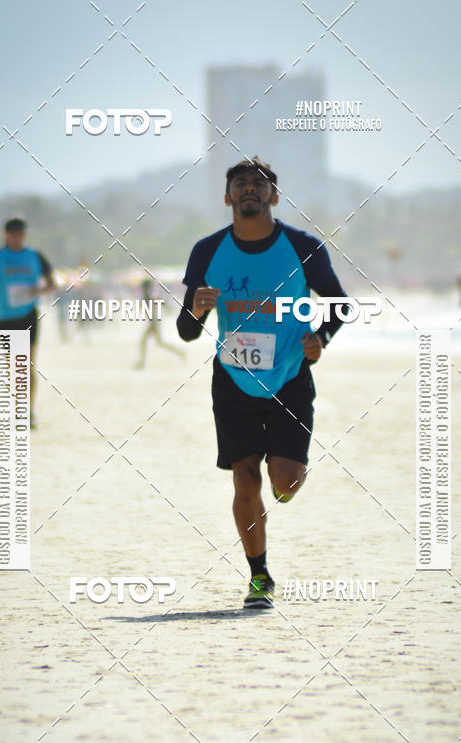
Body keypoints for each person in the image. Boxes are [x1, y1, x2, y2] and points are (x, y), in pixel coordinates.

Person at [177, 156, 347, 609]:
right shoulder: (208, 251)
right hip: (233, 380)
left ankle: (282, 480)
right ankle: (259, 577)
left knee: (286, 482)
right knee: (244, 479)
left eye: (259, 182)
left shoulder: (302, 246)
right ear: (227, 196)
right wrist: (196, 309)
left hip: (289, 375)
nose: (249, 187)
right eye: (240, 182)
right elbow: (187, 331)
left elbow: (339, 303)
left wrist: (320, 338)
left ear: (274, 196)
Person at [0, 218, 57, 427]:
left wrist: (38, 290)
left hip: (28, 314)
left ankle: (28, 411)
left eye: (20, 235)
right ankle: (17, 406)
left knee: (26, 364)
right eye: (13, 235)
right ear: (6, 235)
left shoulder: (35, 256)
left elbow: (52, 284)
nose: (17, 238)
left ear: (25, 235)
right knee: (12, 366)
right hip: (4, 316)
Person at [134, 276, 185, 369]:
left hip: (153, 321)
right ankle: (180, 352)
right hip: (154, 321)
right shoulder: (148, 295)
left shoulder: (147, 296)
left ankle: (141, 363)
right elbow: (161, 302)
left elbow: (159, 302)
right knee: (159, 342)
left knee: (146, 341)